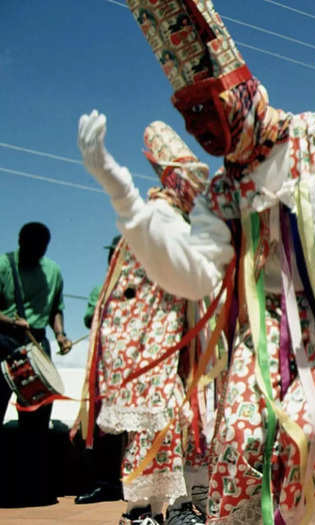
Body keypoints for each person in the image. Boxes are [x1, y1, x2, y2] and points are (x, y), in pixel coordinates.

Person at [80, 0, 315, 522]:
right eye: (192, 119)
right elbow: (194, 275)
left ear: (242, 92)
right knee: (239, 443)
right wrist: (126, 203)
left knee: (314, 435)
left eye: (210, 110)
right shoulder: (225, 191)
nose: (204, 129)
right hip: (264, 346)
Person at [76, 122, 211, 525]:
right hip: (155, 342)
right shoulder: (160, 216)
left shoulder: (182, 220)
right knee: (162, 420)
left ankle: (185, 502)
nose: (197, 186)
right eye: (190, 177)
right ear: (171, 178)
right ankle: (148, 509)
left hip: (184, 338)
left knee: (189, 418)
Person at [0, 222, 72, 506]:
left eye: (40, 249)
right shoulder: (3, 265)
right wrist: (10, 321)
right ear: (19, 242)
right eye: (30, 247)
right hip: (3, 340)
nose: (35, 253)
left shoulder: (53, 271)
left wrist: (61, 335)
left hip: (38, 345)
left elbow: (57, 309)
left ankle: (30, 489)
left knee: (36, 423)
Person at [74, 235, 124, 506]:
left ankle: (132, 482)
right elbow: (88, 319)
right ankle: (105, 483)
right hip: (106, 367)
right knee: (104, 426)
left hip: (137, 368)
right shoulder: (102, 288)